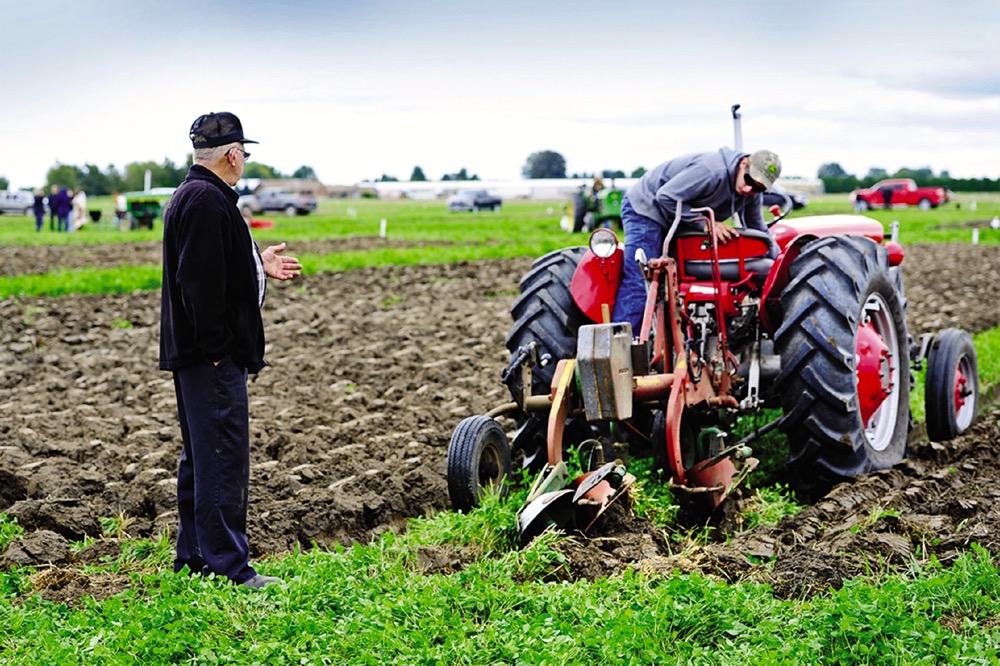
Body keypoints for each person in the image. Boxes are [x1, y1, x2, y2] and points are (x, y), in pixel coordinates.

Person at [159, 111, 302, 589]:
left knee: (202, 456)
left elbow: (216, 268)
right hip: (210, 358)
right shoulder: (205, 201)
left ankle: (196, 556)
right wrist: (220, 350)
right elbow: (198, 285)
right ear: (233, 154)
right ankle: (229, 568)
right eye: (245, 153)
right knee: (222, 454)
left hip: (200, 356)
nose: (245, 161)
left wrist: (257, 265)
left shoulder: (198, 195)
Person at [610, 148, 781, 334]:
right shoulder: (711, 171)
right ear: (743, 164)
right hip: (647, 209)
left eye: (758, 188)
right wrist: (708, 224)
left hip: (678, 217)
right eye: (749, 181)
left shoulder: (750, 194)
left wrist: (780, 261)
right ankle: (621, 347)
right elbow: (666, 196)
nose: (750, 189)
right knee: (643, 280)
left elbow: (757, 228)